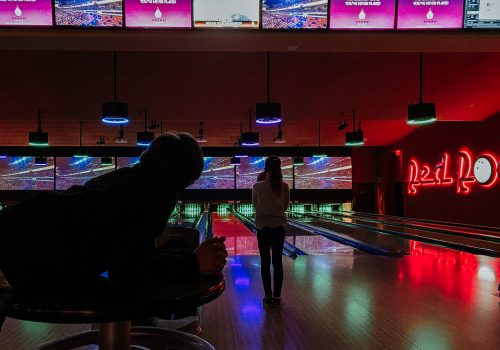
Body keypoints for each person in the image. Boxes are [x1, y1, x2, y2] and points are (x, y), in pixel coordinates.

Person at [0, 132, 227, 290]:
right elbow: (128, 273)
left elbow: (131, 253)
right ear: (182, 177)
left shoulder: (128, 179)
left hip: (13, 231)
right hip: (15, 259)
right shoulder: (155, 192)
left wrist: (189, 255)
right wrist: (193, 263)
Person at [252, 156, 290, 307]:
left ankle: (267, 296)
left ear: (265, 168)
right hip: (279, 227)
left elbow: (255, 206)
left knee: (265, 263)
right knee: (277, 263)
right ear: (280, 169)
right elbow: (285, 207)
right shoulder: (285, 186)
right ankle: (277, 297)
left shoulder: (256, 186)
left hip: (263, 228)